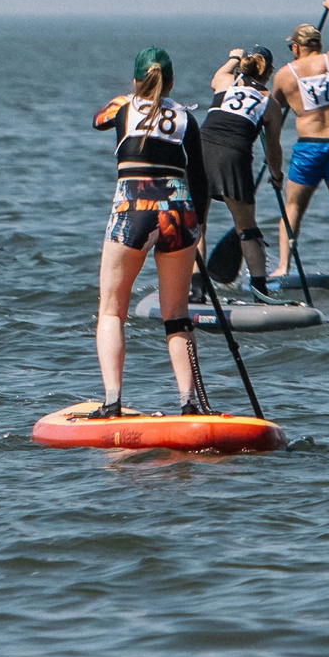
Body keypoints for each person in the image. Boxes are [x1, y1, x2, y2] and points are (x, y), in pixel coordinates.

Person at [90, 48, 212, 415]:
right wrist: (199, 225)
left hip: (134, 209)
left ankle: (112, 402)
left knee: (112, 311)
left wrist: (128, 96)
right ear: (171, 81)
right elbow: (201, 179)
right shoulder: (186, 118)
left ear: (135, 81)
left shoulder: (122, 108)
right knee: (176, 315)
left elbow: (97, 120)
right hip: (180, 211)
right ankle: (189, 404)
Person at [277, 0, 329, 279]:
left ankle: (283, 266)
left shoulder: (284, 75)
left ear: (298, 47)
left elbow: (270, 113)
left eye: (292, 46)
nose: (291, 50)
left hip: (309, 147)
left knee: (293, 207)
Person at [203, 46, 287, 291]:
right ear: (268, 73)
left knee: (197, 224)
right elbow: (274, 150)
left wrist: (232, 58)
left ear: (242, 65)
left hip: (201, 148)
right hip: (234, 154)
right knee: (247, 228)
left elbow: (217, 75)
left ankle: (198, 289)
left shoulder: (224, 82)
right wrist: (276, 175)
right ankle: (260, 291)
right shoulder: (269, 103)